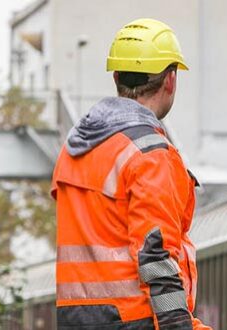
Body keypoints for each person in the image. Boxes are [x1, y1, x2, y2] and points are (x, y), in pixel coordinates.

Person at [51, 18, 211, 330]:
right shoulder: (148, 154)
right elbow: (156, 254)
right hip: (133, 320)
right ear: (170, 79)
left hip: (74, 321)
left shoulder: (73, 152)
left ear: (116, 77)